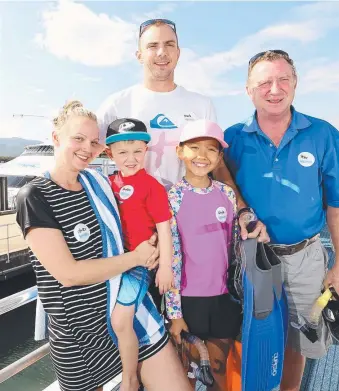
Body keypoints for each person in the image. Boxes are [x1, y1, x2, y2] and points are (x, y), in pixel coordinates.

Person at [16, 101, 191, 391]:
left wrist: (157, 243)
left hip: (128, 310)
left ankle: (131, 378)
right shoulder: (35, 196)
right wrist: (136, 257)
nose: (87, 147)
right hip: (79, 334)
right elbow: (68, 274)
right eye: (78, 138)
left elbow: (137, 216)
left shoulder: (97, 183)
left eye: (94, 141)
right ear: (56, 138)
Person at [222, 50, 339, 391]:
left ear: (295, 85)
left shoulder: (324, 135)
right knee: (251, 334)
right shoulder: (232, 138)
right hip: (251, 258)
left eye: (283, 79)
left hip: (305, 258)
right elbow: (220, 180)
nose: (274, 88)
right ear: (249, 90)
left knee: (300, 340)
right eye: (264, 81)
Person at [96, 18, 269, 243]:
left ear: (178, 53)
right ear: (138, 55)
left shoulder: (201, 105)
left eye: (169, 45)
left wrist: (243, 210)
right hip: (134, 228)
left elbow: (218, 166)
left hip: (189, 223)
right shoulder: (116, 104)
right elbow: (85, 153)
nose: (162, 52)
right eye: (152, 46)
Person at [165, 119, 242, 391]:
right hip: (188, 301)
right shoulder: (172, 198)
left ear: (220, 157)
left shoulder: (226, 194)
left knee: (219, 375)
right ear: (180, 151)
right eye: (194, 147)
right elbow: (171, 258)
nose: (202, 156)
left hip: (224, 299)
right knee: (186, 375)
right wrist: (175, 313)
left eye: (211, 150)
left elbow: (233, 248)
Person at [105, 117, 173, 391]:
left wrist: (166, 266)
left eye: (137, 151)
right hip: (113, 260)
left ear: (146, 150)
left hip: (139, 263)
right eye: (122, 152)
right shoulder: (107, 183)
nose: (130, 158)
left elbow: (164, 230)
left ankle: (130, 378)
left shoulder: (152, 186)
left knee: (121, 321)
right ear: (109, 154)